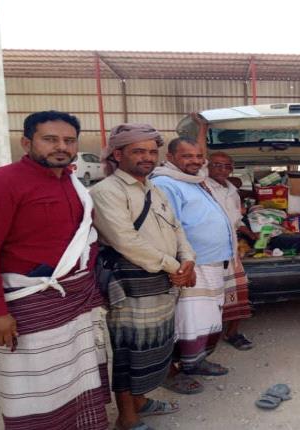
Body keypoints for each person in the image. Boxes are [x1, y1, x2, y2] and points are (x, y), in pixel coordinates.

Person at [0, 110, 110, 429]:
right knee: (39, 385)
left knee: (80, 373)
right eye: (50, 139)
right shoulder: (0, 183)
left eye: (69, 140)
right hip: (33, 302)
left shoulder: (72, 182)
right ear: (27, 143)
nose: (62, 147)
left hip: (78, 298)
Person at [91, 123, 196, 430]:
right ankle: (127, 417)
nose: (147, 157)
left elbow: (177, 229)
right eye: (138, 151)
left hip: (163, 280)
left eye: (152, 151)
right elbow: (126, 241)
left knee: (156, 346)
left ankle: (140, 401)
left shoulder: (155, 189)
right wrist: (175, 267)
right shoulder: (105, 191)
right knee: (131, 351)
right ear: (117, 154)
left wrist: (188, 260)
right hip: (130, 283)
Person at [151, 138, 235, 387]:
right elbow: (168, 230)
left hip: (211, 260)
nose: (196, 161)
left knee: (204, 317)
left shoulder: (193, 180)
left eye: (199, 156)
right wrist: (181, 264)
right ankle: (174, 370)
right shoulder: (165, 183)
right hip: (191, 265)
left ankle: (195, 361)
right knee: (186, 319)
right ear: (170, 157)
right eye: (187, 156)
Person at [205, 151, 255, 350]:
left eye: (227, 166)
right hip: (208, 253)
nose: (222, 169)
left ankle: (232, 333)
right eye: (217, 165)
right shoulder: (202, 185)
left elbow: (236, 219)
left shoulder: (233, 190)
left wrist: (250, 234)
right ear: (207, 166)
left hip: (231, 252)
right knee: (209, 299)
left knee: (238, 293)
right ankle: (204, 340)